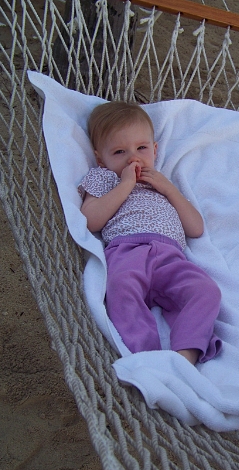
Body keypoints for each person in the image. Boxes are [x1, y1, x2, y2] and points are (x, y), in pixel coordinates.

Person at [78, 101, 222, 365]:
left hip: (170, 256)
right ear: (101, 159)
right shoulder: (104, 178)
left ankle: (186, 353)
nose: (133, 158)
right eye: (119, 151)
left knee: (207, 291)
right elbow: (90, 221)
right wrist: (125, 184)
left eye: (141, 148)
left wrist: (169, 190)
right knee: (120, 287)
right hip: (127, 251)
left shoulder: (163, 182)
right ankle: (146, 356)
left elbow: (196, 228)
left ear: (154, 150)